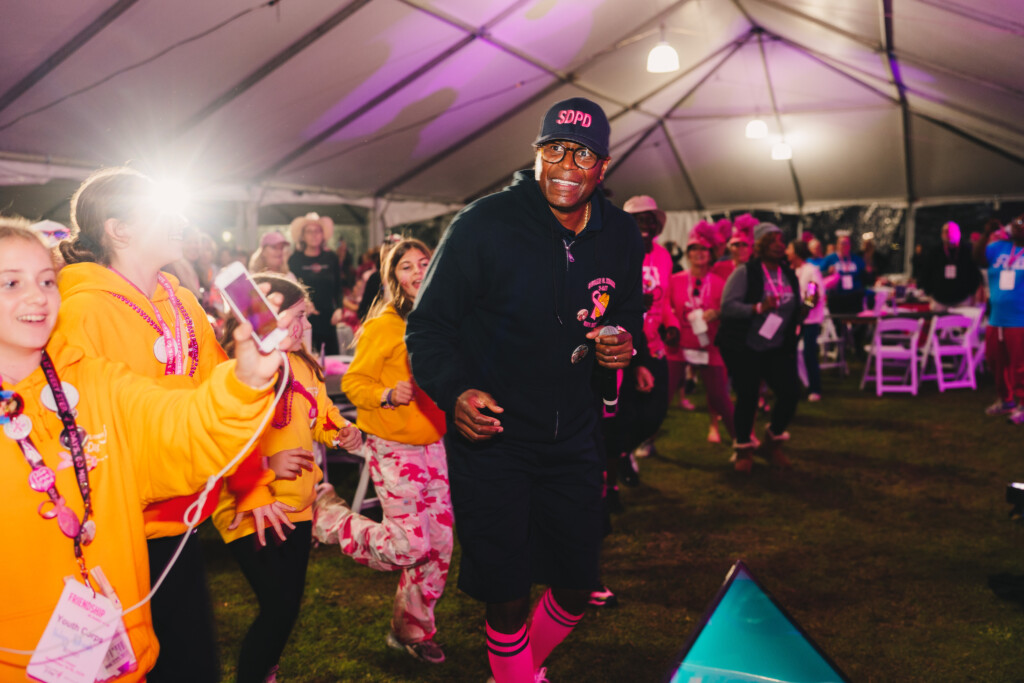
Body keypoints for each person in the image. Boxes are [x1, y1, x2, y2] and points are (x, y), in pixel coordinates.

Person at [405, 96, 643, 683]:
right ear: (536, 155)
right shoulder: (485, 225)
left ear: (602, 167)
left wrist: (621, 343)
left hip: (575, 434)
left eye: (582, 153)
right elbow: (428, 327)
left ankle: (515, 673)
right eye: (554, 148)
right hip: (496, 435)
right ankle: (516, 676)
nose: (567, 163)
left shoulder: (621, 235)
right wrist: (455, 390)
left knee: (577, 582)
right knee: (506, 589)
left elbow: (626, 314)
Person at [0, 220, 290, 681]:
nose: (37, 296)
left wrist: (246, 382)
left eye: (46, 280)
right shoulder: (90, 317)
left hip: (119, 651)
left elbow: (179, 425)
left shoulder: (93, 381)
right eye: (12, 283)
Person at [55, 166, 236, 682]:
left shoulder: (181, 302)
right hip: (118, 528)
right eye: (161, 208)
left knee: (192, 660)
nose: (180, 219)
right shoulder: (80, 311)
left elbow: (220, 387)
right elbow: (88, 422)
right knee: (130, 666)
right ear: (119, 229)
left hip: (183, 514)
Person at [212, 274, 362, 683]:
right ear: (263, 317)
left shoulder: (302, 367)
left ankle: (265, 668)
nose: (307, 326)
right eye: (298, 316)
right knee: (278, 605)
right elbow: (222, 440)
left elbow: (321, 415)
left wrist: (340, 432)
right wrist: (266, 466)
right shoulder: (236, 372)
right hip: (249, 507)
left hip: (298, 504)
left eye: (307, 317)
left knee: (287, 606)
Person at [315, 238, 453, 665]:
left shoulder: (440, 319)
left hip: (434, 445)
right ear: (394, 277)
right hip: (394, 448)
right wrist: (389, 393)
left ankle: (411, 630)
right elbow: (354, 384)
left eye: (423, 263)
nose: (415, 272)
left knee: (440, 546)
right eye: (405, 267)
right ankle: (330, 519)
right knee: (409, 546)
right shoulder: (383, 325)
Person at [716, 223, 803, 472]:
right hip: (746, 347)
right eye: (771, 240)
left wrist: (805, 307)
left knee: (790, 393)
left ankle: (772, 442)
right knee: (748, 397)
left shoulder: (788, 273)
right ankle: (743, 449)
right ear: (760, 244)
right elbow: (727, 307)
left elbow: (793, 306)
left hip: (777, 346)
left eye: (781, 239)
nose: (778, 244)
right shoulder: (746, 272)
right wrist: (757, 308)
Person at [620, 195, 679, 465]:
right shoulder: (618, 253)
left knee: (656, 411)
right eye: (639, 220)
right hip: (625, 346)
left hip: (655, 346)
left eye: (651, 220)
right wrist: (633, 301)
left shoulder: (664, 256)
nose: (646, 225)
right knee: (626, 411)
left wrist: (673, 325)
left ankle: (623, 452)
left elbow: (664, 299)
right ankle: (620, 458)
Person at [668, 227, 735, 444]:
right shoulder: (675, 280)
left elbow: (730, 312)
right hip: (677, 347)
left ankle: (740, 442)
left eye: (704, 249)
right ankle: (645, 440)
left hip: (708, 347)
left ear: (711, 254)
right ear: (687, 254)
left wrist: (718, 313)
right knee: (663, 397)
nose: (699, 253)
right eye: (693, 249)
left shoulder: (719, 283)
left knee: (720, 397)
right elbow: (666, 309)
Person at [974, 214, 1024, 423]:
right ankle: (1006, 400)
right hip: (996, 318)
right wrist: (987, 234)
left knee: (1020, 366)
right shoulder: (999, 248)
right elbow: (978, 257)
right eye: (1016, 223)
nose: (1016, 226)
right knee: (995, 361)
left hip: (1019, 320)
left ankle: (1022, 405)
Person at [288, 212, 343, 356]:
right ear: (302, 235)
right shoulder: (294, 260)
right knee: (307, 359)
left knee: (331, 361)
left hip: (328, 318)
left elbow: (338, 286)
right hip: (304, 318)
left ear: (323, 234)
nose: (314, 235)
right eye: (309, 231)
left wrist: (339, 308)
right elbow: (292, 289)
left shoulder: (331, 258)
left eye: (317, 231)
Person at [787, 240, 826, 401]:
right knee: (791, 354)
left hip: (809, 320)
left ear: (796, 252)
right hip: (796, 319)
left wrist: (803, 311)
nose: (786, 251)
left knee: (809, 353)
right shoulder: (791, 270)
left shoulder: (810, 270)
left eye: (789, 248)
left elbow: (813, 293)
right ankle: (796, 385)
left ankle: (814, 388)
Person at [922, 221, 981, 310]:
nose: (948, 234)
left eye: (951, 231)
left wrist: (971, 293)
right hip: (939, 299)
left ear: (958, 233)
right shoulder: (935, 252)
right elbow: (926, 272)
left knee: (961, 323)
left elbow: (975, 274)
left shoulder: (967, 251)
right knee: (939, 323)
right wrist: (929, 292)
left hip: (962, 299)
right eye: (945, 231)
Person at [822, 232, 867, 314]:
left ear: (850, 245)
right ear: (837, 245)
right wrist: (828, 272)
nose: (844, 246)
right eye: (842, 243)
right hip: (836, 297)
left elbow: (864, 275)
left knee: (857, 322)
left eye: (847, 243)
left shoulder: (857, 259)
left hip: (854, 296)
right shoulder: (830, 259)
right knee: (838, 322)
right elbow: (820, 275)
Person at [712, 213, 756, 282]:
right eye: (736, 245)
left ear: (751, 248)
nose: (740, 248)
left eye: (744, 245)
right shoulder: (719, 268)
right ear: (730, 248)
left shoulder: (757, 269)